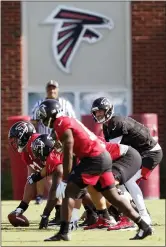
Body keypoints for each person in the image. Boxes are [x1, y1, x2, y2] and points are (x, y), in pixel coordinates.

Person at [37, 99, 152, 241]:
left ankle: (64, 232)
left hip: (93, 158)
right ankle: (144, 226)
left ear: (51, 113)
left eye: (43, 115)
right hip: (102, 157)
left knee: (69, 191)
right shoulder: (66, 120)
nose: (42, 118)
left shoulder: (61, 123)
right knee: (113, 196)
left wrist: (66, 178)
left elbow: (68, 149)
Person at [91, 97, 163, 227]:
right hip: (138, 154)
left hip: (150, 153)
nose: (98, 114)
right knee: (120, 179)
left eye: (101, 111)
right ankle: (130, 213)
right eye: (96, 112)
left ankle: (143, 216)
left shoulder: (116, 123)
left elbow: (112, 153)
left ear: (108, 110)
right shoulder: (107, 126)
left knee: (127, 180)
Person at [30, 79, 76, 210]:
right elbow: (33, 122)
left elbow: (72, 121)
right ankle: (50, 199)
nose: (52, 90)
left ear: (58, 90)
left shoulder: (65, 104)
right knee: (46, 172)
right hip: (44, 142)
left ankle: (60, 200)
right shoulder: (39, 104)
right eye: (50, 88)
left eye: (54, 88)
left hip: (61, 143)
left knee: (59, 173)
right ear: (46, 90)